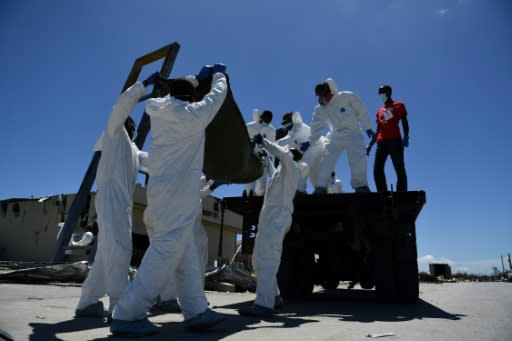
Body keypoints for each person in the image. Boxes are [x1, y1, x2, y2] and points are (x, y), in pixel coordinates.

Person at [110, 65, 229, 337]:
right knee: (164, 253)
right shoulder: (195, 115)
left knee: (185, 252)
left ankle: (196, 310)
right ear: (191, 98)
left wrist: (185, 81)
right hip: (178, 201)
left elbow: (169, 96)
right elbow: (217, 95)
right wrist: (219, 75)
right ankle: (128, 313)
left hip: (159, 196)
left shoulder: (157, 109)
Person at [74, 73, 156, 320]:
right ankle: (119, 306)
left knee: (105, 255)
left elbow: (156, 162)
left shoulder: (132, 150)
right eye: (128, 123)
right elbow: (120, 107)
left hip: (121, 204)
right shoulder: (114, 134)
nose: (130, 127)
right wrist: (143, 86)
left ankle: (88, 302)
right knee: (119, 250)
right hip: (111, 199)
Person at [238, 133, 308, 318]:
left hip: (277, 218)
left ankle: (263, 305)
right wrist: (264, 156)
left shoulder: (292, 167)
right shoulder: (280, 173)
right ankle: (274, 297)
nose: (287, 152)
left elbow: (283, 155)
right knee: (259, 259)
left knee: (267, 259)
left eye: (290, 151)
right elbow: (271, 169)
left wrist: (265, 143)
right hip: (269, 218)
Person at [153, 176, 222, 313]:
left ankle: (195, 297)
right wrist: (210, 183)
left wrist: (211, 184)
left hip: (195, 226)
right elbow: (189, 189)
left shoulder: (194, 173)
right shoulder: (181, 170)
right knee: (175, 262)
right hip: (181, 224)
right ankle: (167, 298)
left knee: (198, 263)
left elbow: (197, 189)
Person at [305, 78, 375, 194]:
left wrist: (367, 127)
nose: (323, 96)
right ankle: (321, 187)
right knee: (326, 159)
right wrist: (310, 141)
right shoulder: (320, 109)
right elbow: (316, 127)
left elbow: (361, 110)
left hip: (353, 132)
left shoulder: (346, 97)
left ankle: (361, 186)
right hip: (335, 135)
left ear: (331, 89)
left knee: (357, 158)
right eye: (320, 94)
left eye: (324, 92)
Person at [372, 84, 409, 192]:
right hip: (381, 143)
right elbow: (378, 128)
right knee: (377, 169)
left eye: (382, 93)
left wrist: (406, 136)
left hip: (395, 142)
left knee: (399, 169)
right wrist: (371, 144)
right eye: (379, 94)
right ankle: (382, 193)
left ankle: (401, 194)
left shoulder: (399, 105)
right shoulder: (379, 111)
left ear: (388, 93)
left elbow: (404, 122)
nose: (380, 95)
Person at [276, 111, 324, 194]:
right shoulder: (292, 131)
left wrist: (269, 144)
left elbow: (288, 140)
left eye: (285, 122)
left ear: (291, 120)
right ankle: (320, 188)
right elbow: (287, 143)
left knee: (304, 166)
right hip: (316, 148)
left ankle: (300, 189)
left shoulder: (298, 126)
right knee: (314, 170)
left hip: (317, 146)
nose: (284, 124)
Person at [244, 109, 276, 197]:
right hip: (252, 155)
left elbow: (272, 144)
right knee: (251, 174)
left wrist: (270, 156)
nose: (267, 122)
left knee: (263, 176)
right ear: (261, 117)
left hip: (264, 156)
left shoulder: (271, 130)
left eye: (269, 121)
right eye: (266, 120)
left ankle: (260, 194)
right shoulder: (250, 126)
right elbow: (243, 139)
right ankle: (248, 192)